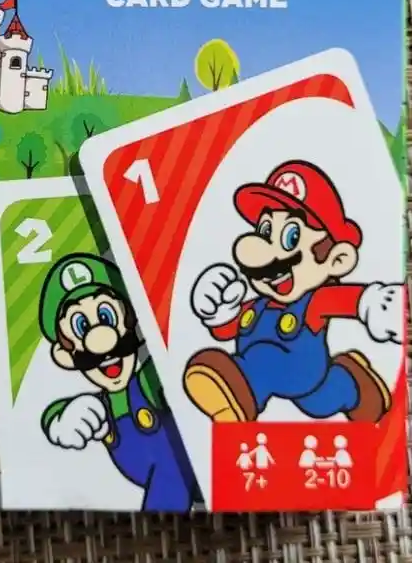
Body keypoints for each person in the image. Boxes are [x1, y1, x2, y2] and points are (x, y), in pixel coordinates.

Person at [183, 161, 401, 423]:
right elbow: (229, 329)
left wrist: (376, 303)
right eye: (265, 231)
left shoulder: (314, 302)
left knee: (270, 373)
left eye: (291, 237)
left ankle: (240, 390)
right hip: (301, 380)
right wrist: (219, 311)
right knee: (320, 401)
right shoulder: (258, 305)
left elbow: (346, 300)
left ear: (336, 259)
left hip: (301, 370)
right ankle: (355, 382)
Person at [39, 254, 200, 511]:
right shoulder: (99, 408)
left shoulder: (149, 380)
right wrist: (61, 420)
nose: (102, 341)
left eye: (106, 315)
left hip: (192, 474)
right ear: (64, 355)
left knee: (171, 470)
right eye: (81, 325)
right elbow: (53, 413)